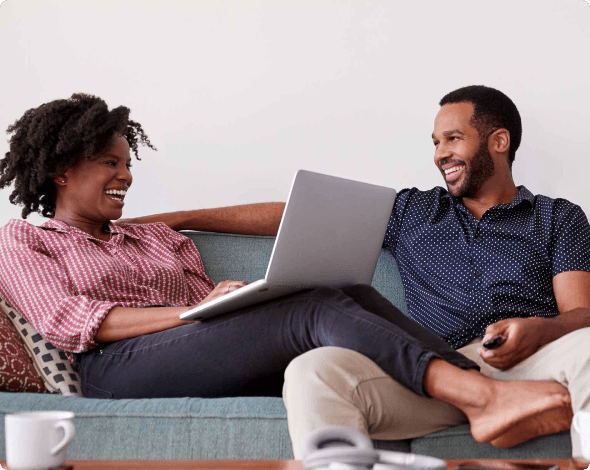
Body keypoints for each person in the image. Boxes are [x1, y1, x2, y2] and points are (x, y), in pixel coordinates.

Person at [0, 94, 573, 450]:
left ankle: (474, 385)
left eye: (128, 164)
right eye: (110, 164)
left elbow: (209, 311)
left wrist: (230, 298)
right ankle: (483, 398)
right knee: (315, 309)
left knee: (341, 289)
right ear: (59, 169)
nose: (125, 177)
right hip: (115, 371)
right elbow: (71, 321)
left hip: (192, 351)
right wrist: (194, 312)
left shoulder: (155, 238)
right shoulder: (26, 239)